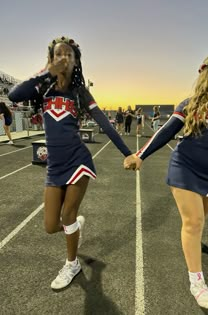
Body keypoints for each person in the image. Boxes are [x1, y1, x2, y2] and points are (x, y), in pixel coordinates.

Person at [8, 36, 132, 290]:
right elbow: (14, 94)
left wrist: (128, 153)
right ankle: (75, 226)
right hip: (54, 166)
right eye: (58, 54)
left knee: (68, 214)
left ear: (76, 62)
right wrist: (45, 73)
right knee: (51, 226)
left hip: (78, 160)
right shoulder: (42, 89)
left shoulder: (80, 93)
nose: (63, 58)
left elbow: (105, 123)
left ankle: (72, 264)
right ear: (51, 59)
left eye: (68, 55)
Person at [124, 45, 208, 309]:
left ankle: (193, 240)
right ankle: (196, 282)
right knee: (194, 221)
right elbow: (165, 132)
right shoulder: (191, 104)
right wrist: (141, 154)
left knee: (199, 220)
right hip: (185, 166)